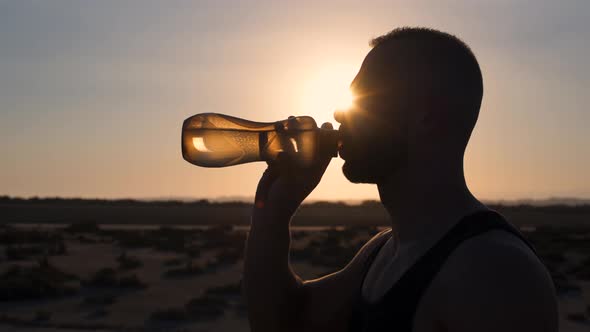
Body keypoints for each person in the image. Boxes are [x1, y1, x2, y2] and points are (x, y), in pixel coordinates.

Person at [243, 27, 558, 332]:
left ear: (426, 117)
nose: (339, 113)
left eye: (363, 98)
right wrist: (272, 213)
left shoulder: (494, 273)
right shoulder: (385, 250)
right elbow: (283, 324)